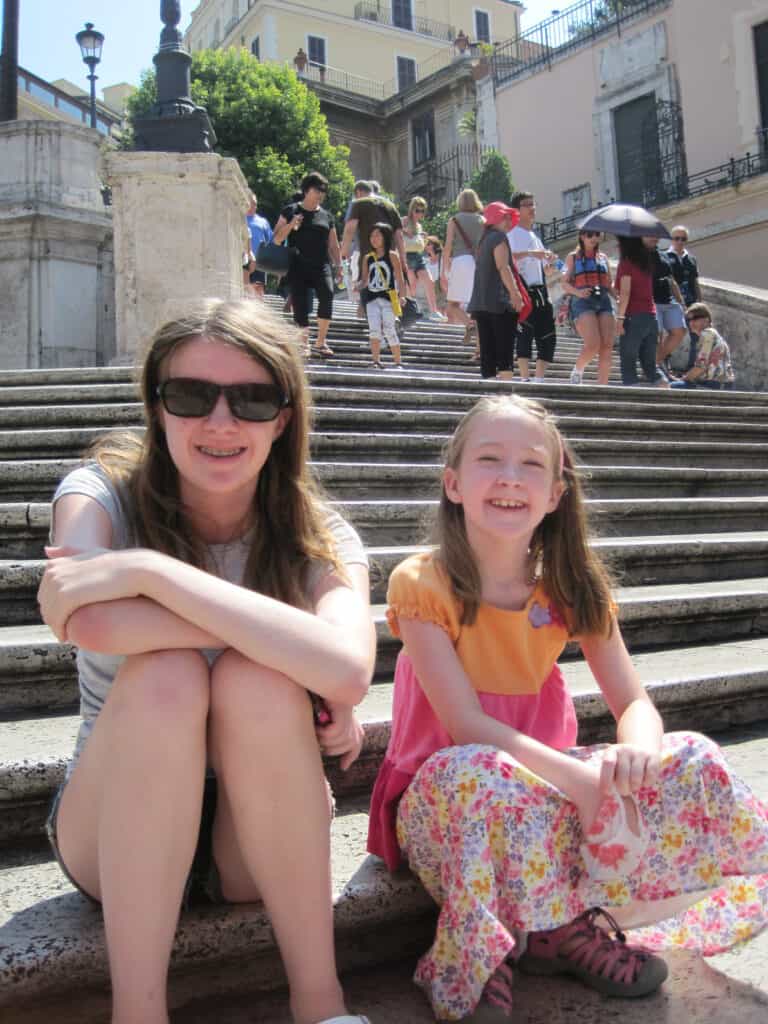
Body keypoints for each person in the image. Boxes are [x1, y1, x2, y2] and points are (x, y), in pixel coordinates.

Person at [367, 393, 768, 1023]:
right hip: (447, 797)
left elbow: (633, 699)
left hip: (547, 785)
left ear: (556, 492)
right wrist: (584, 782)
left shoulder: (571, 583)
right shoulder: (422, 582)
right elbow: (466, 727)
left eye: (530, 465)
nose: (508, 477)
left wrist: (638, 747)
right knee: (480, 770)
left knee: (691, 755)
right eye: (489, 460)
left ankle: (557, 929)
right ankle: (481, 951)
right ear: (453, 483)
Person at [37, 299, 376, 1024]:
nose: (221, 422)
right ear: (157, 407)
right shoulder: (101, 493)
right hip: (111, 815)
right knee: (168, 675)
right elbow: (82, 614)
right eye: (191, 395)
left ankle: (322, 1006)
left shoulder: (320, 534)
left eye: (251, 399)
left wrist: (152, 576)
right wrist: (280, 640)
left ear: (284, 418)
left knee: (250, 681)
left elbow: (348, 668)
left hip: (257, 831)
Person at [273, 171, 341, 358]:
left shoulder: (327, 216)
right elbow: (277, 239)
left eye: (323, 191)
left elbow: (333, 244)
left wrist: (339, 265)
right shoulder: (290, 211)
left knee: (327, 294)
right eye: (317, 190)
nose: (320, 194)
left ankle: (321, 341)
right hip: (298, 264)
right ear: (306, 190)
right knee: (300, 305)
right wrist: (292, 224)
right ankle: (304, 345)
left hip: (321, 265)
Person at [467, 202, 525, 381]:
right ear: (496, 218)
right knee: (505, 356)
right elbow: (503, 267)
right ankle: (506, 397)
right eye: (505, 216)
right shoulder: (499, 237)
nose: (509, 221)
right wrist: (515, 294)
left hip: (481, 304)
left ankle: (490, 399)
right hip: (499, 304)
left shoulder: (484, 239)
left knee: (488, 356)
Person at [508, 191, 558, 383]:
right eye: (527, 204)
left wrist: (549, 264)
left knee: (548, 335)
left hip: (541, 290)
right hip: (524, 289)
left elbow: (541, 268)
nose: (532, 208)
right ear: (517, 210)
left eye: (533, 204)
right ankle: (524, 378)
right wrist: (531, 253)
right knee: (524, 333)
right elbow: (509, 259)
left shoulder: (534, 236)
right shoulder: (512, 234)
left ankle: (539, 378)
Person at [561, 229, 616, 386]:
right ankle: (578, 370)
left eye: (597, 234)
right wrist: (578, 292)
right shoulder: (572, 257)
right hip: (583, 301)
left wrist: (617, 296)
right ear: (581, 236)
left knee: (607, 345)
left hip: (604, 299)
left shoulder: (603, 257)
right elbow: (564, 283)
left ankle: (603, 386)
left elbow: (609, 283)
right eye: (589, 235)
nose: (594, 238)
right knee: (593, 345)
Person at [615, 236, 669, 388]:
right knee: (651, 368)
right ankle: (667, 394)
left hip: (634, 317)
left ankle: (633, 406)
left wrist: (619, 319)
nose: (616, 247)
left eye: (619, 243)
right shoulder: (646, 262)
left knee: (628, 365)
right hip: (651, 318)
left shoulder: (626, 262)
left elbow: (625, 293)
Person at [341, 181, 406, 289]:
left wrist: (343, 253)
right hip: (390, 260)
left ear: (358, 192)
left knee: (367, 297)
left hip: (368, 259)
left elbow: (350, 229)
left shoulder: (359, 203)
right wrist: (403, 260)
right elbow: (399, 235)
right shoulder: (390, 205)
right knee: (389, 295)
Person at [360, 221, 406, 370]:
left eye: (377, 235)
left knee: (389, 329)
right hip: (371, 299)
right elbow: (365, 281)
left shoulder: (392, 256)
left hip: (388, 299)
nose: (373, 239)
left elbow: (400, 278)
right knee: (374, 329)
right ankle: (375, 360)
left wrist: (402, 296)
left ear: (385, 237)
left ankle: (398, 362)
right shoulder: (368, 258)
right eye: (371, 236)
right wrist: (359, 291)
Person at [441, 188, 485, 345]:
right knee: (477, 305)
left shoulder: (454, 220)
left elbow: (447, 246)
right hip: (478, 263)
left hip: (460, 261)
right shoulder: (482, 220)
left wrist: (445, 270)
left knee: (452, 304)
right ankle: (477, 341)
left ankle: (469, 324)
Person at [670, 303, 735, 389]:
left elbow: (701, 366)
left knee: (668, 387)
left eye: (695, 318)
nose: (691, 322)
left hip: (714, 385)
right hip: (721, 385)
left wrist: (681, 379)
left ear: (706, 319)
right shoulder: (712, 334)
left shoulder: (708, 334)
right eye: (688, 319)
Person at [402, 197, 446, 322]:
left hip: (418, 255)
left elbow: (418, 243)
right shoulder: (404, 221)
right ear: (411, 210)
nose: (419, 213)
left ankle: (434, 311)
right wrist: (406, 233)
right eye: (417, 210)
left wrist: (422, 238)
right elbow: (396, 236)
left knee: (429, 280)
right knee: (412, 286)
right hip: (407, 256)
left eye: (422, 211)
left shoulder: (419, 226)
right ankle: (410, 310)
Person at [650, 245, 687, 371]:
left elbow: (672, 280)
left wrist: (681, 302)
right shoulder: (638, 255)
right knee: (657, 335)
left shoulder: (664, 255)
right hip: (651, 300)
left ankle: (655, 363)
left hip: (669, 300)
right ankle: (655, 368)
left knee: (680, 331)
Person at [245, 192, 273, 298]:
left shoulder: (263, 222)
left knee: (258, 291)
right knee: (245, 290)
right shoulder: (239, 218)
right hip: (244, 261)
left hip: (260, 262)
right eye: (251, 203)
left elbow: (270, 240)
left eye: (255, 203)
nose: (253, 206)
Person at [666, 225, 702, 307]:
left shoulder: (691, 259)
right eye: (677, 238)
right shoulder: (664, 258)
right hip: (673, 304)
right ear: (671, 239)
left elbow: (695, 281)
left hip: (692, 303)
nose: (680, 241)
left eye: (683, 239)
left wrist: (700, 301)